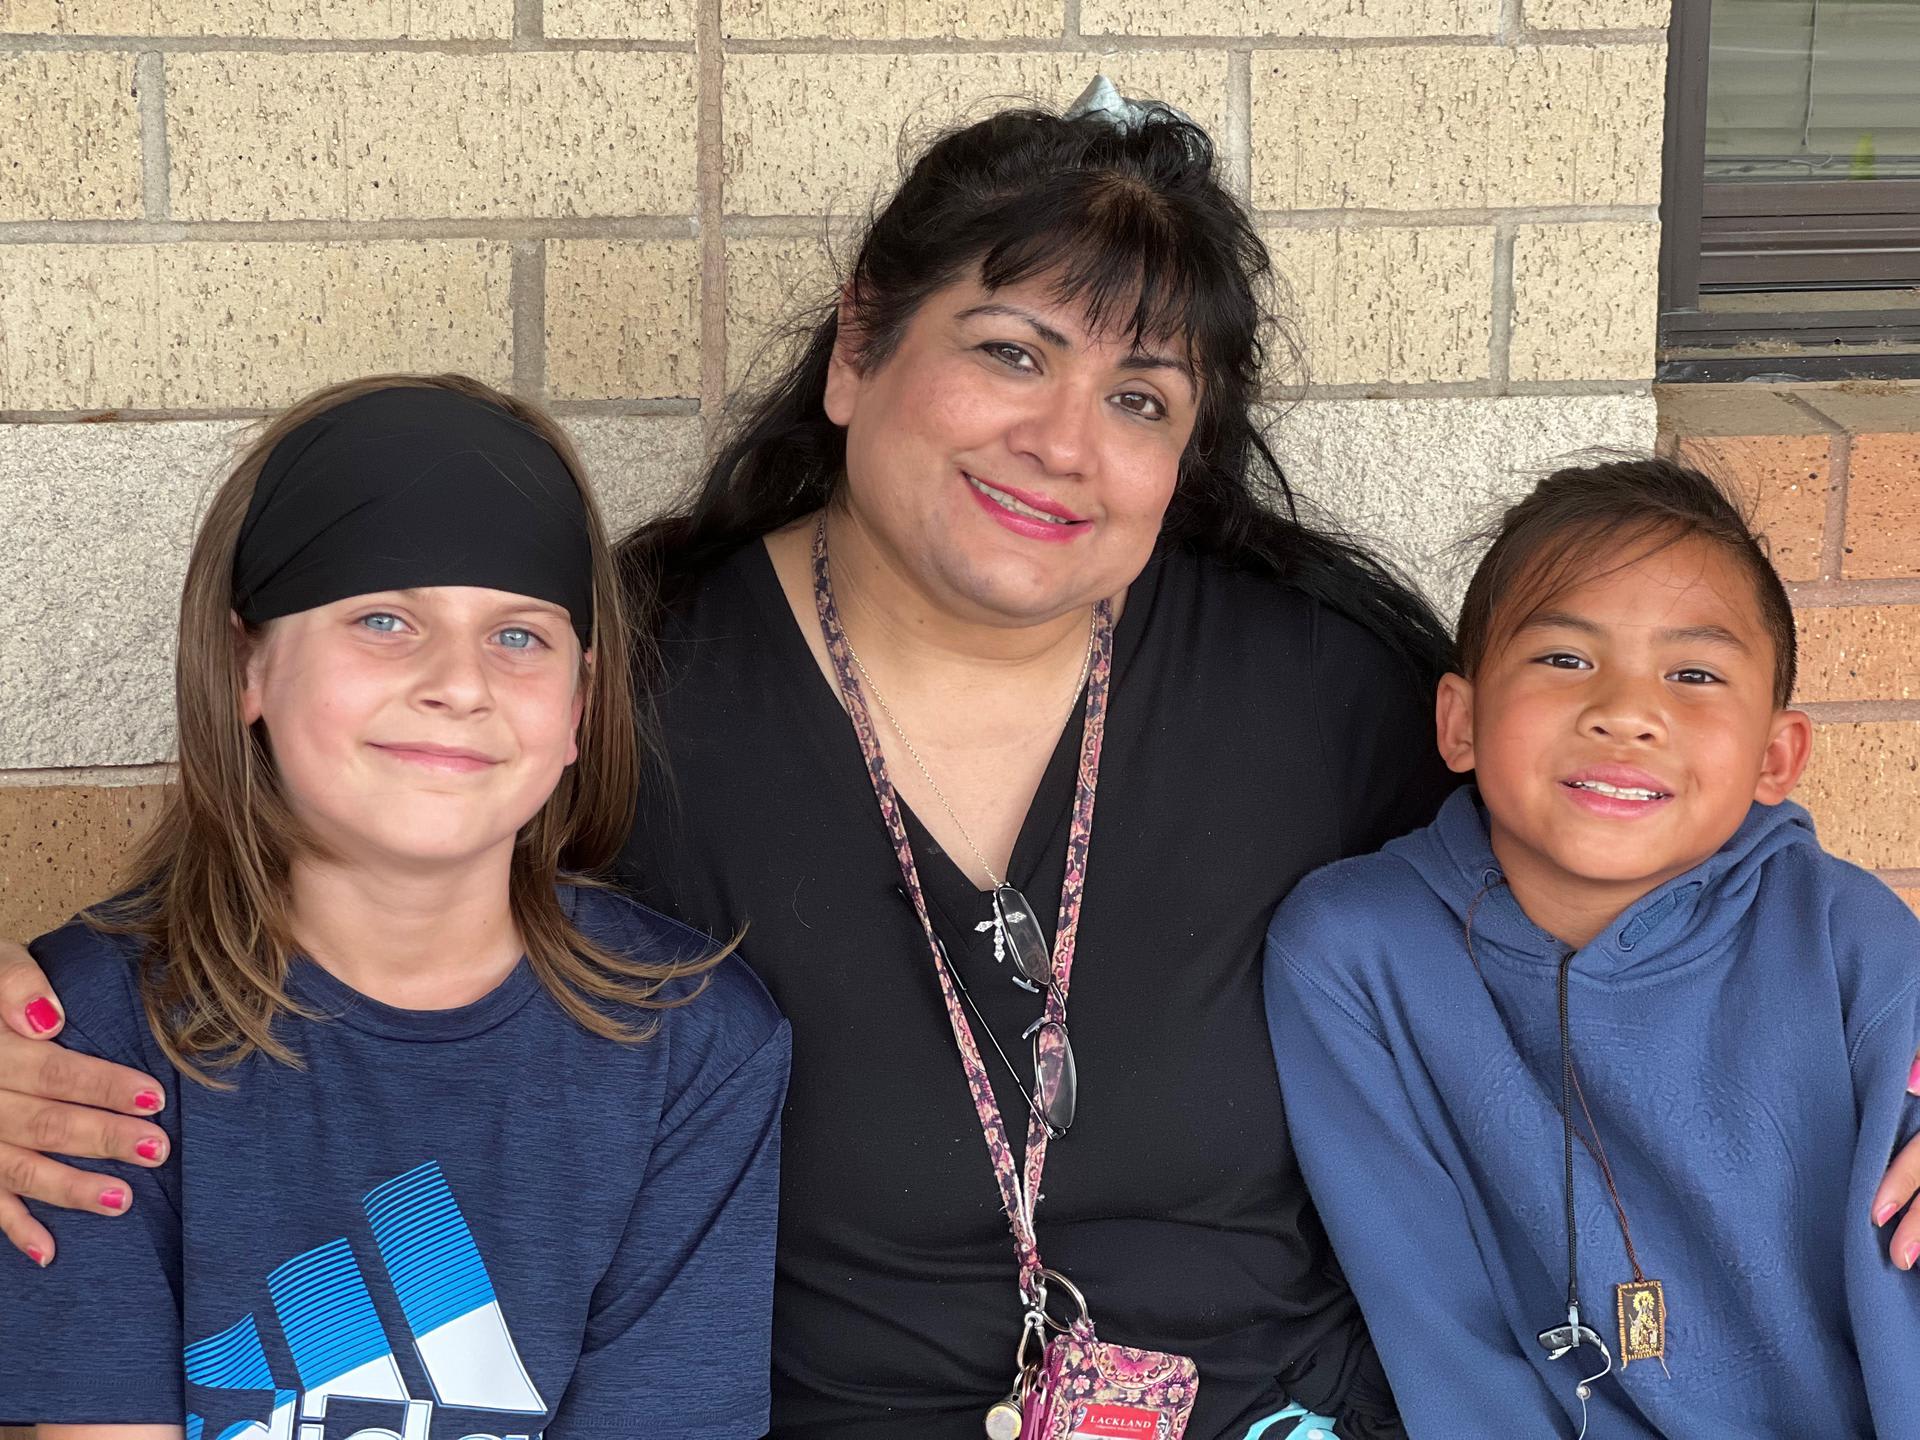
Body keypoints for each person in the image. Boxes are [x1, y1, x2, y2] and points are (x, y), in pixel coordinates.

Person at [0, 376, 790, 1438]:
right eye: (383, 620)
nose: (459, 683)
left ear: (579, 707)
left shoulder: (694, 1047)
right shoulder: (83, 1041)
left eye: (519, 637)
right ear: (245, 667)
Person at [1264, 458, 1920, 1437]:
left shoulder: (1846, 940)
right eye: (1565, 658)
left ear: (1776, 756)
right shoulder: (1355, 956)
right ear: (1460, 722)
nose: (1627, 711)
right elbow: (1434, 1320)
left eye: (1694, 675)